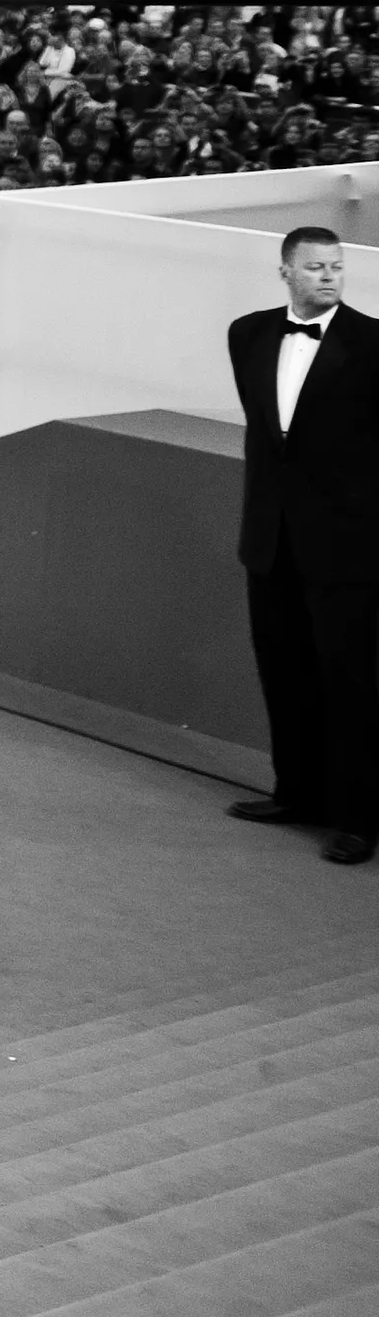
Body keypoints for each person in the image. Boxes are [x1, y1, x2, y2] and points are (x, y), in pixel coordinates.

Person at [223, 226, 379, 865]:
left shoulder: (373, 344)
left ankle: (357, 818)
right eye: (315, 267)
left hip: (347, 545)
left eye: (337, 268)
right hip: (270, 538)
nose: (329, 277)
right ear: (285, 271)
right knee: (282, 669)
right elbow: (271, 439)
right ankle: (296, 792)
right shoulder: (248, 333)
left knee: (350, 681)